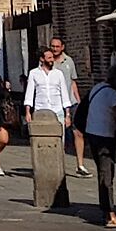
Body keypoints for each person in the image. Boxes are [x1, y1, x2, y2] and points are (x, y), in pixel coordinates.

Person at [83, 60, 116, 229]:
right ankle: (110, 214)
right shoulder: (112, 94)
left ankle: (106, 211)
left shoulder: (97, 88)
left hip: (92, 133)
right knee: (106, 174)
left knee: (103, 173)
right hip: (104, 136)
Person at [24, 43, 74, 211]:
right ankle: (44, 174)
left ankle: (59, 174)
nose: (52, 60)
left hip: (58, 111)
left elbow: (64, 93)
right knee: (41, 146)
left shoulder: (58, 74)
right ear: (42, 59)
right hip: (41, 111)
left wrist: (67, 113)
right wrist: (28, 111)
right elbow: (30, 92)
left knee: (59, 147)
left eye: (53, 57)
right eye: (49, 58)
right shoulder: (34, 74)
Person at [48, 36, 86, 176]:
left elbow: (73, 82)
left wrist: (78, 100)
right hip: (56, 103)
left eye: (57, 46)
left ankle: (80, 165)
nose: (55, 49)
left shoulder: (68, 61)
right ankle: (59, 164)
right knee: (59, 134)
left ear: (62, 47)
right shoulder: (49, 62)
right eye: (53, 46)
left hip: (71, 101)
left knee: (78, 132)